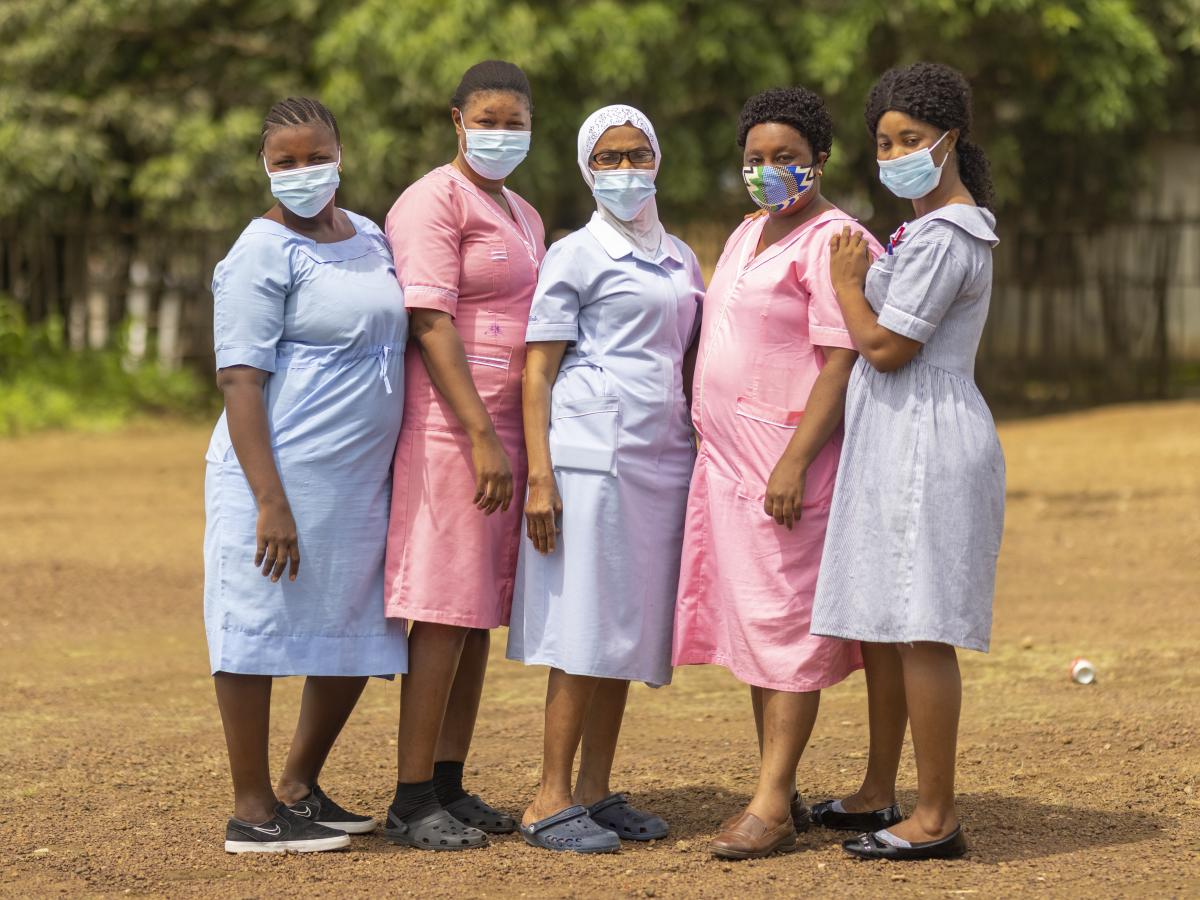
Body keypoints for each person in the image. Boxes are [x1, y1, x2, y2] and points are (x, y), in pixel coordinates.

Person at [672, 87, 879, 860]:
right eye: (755, 159)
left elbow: (839, 360)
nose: (768, 172)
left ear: (820, 161)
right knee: (755, 631)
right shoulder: (747, 232)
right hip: (727, 466)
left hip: (784, 466)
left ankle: (767, 803)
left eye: (785, 158)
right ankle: (777, 785)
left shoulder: (835, 240)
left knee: (785, 628)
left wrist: (794, 461)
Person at [810, 62, 1005, 862]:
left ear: (948, 140)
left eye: (911, 140)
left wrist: (850, 286)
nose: (895, 154)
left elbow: (888, 348)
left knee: (920, 626)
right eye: (884, 142)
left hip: (927, 435)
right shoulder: (922, 231)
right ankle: (877, 789)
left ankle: (936, 814)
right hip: (900, 437)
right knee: (886, 624)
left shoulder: (951, 234)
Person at [204, 97, 408, 853]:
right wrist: (270, 502)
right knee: (253, 629)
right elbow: (239, 382)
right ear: (265, 168)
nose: (302, 172)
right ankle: (253, 811)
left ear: (341, 153)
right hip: (276, 476)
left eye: (314, 156)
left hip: (358, 482)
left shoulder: (371, 236)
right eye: (284, 162)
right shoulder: (259, 251)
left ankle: (298, 784)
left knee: (359, 625)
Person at [510, 105, 705, 854]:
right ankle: (548, 798)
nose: (626, 171)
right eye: (609, 158)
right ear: (587, 169)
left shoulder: (682, 257)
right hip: (589, 464)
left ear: (659, 160)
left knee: (624, 629)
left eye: (638, 154)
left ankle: (594, 790)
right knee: (584, 624)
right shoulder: (574, 255)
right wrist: (539, 477)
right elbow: (538, 372)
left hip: (661, 460)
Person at [381, 60, 546, 851]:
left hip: (510, 427)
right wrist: (480, 432)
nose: (502, 133)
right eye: (488, 118)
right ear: (456, 120)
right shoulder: (431, 200)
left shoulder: (523, 211)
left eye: (516, 121)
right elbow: (429, 320)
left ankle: (449, 781)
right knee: (443, 609)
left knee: (476, 611)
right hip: (454, 429)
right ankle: (411, 796)